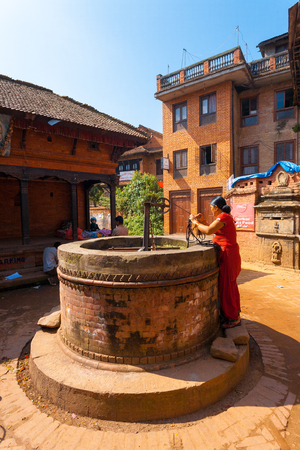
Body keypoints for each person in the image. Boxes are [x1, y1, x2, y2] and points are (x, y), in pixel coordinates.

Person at [189, 196, 241, 329]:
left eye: (211, 207)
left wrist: (195, 222)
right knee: (230, 285)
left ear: (216, 207)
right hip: (229, 255)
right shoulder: (224, 218)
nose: (210, 210)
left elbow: (207, 231)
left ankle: (233, 317)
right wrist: (202, 221)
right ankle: (235, 313)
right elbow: (212, 229)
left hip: (228, 256)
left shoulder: (223, 217)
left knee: (227, 288)